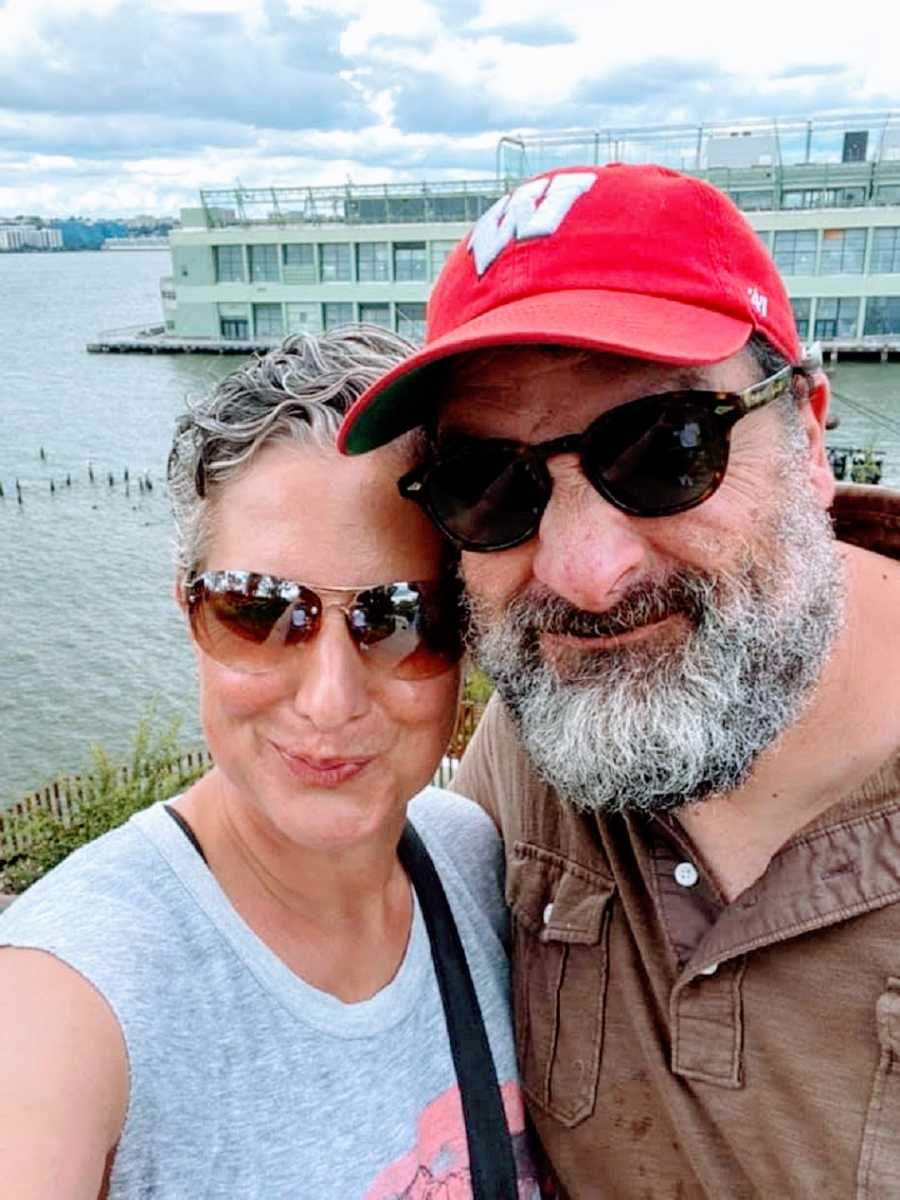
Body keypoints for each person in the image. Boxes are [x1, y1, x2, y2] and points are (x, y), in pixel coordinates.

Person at [339, 166, 900, 1198]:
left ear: (811, 436)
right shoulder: (549, 727)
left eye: (665, 450)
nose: (584, 575)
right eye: (487, 488)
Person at [0, 328, 545, 1199]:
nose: (329, 700)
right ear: (189, 613)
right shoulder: (72, 993)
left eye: (399, 619)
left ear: (469, 633)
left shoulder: (471, 859)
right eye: (256, 610)